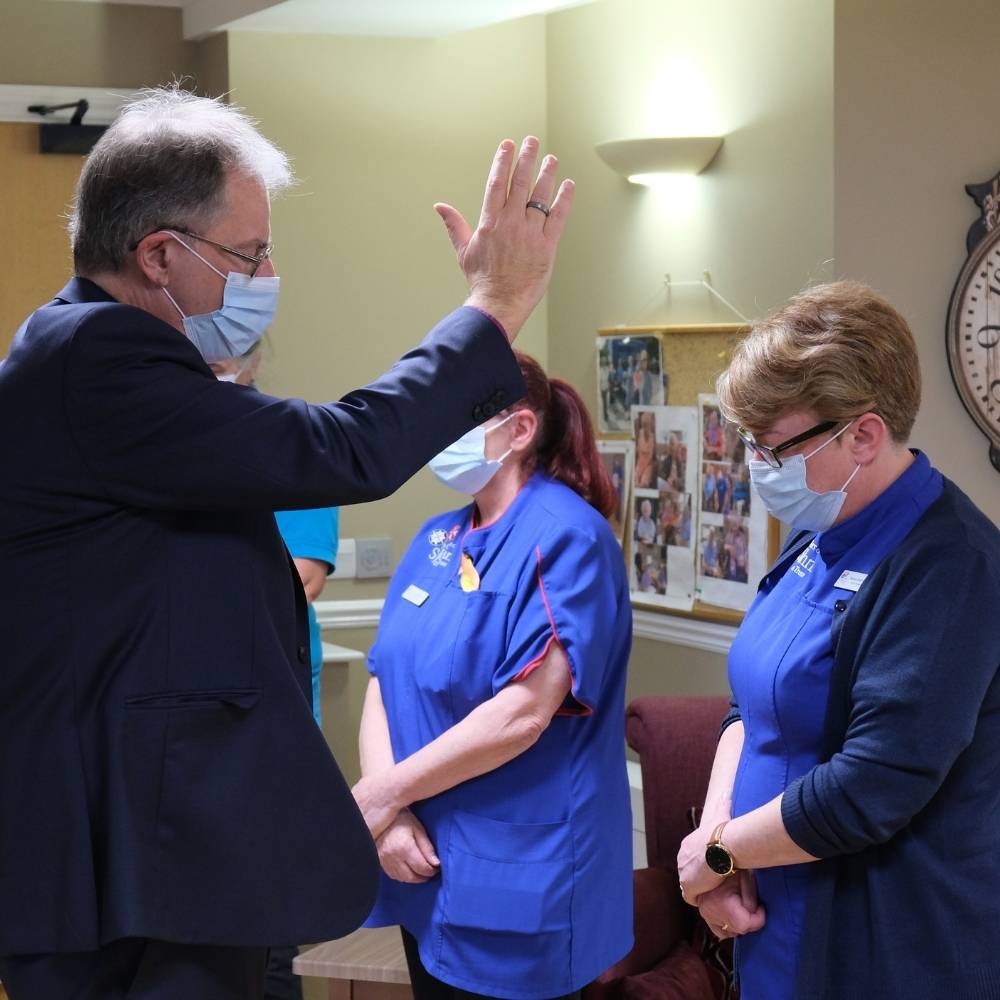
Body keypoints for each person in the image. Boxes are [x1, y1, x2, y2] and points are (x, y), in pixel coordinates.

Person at [0, 86, 575, 1000]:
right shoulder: (98, 356)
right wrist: (495, 304)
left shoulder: (90, 354)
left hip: (162, 853)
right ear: (159, 254)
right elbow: (345, 449)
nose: (267, 274)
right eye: (250, 253)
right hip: (138, 856)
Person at [676, 282, 1000, 1000]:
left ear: (864, 434)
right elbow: (749, 709)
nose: (758, 465)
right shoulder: (816, 538)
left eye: (774, 446)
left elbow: (872, 787)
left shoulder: (951, 565)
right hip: (778, 912)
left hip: (886, 942)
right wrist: (716, 840)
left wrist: (723, 854)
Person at [352, 351, 633, 1000]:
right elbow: (381, 678)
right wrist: (387, 812)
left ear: (520, 430)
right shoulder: (436, 540)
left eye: (455, 416)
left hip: (522, 873)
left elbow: (524, 713)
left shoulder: (567, 537)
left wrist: (382, 795)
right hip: (420, 859)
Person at [634, 411, 656, 488]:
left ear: (651, 425)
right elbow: (638, 448)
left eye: (647, 425)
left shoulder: (652, 437)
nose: (644, 427)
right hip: (639, 463)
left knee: (644, 482)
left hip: (648, 465)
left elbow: (650, 453)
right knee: (635, 480)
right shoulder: (640, 433)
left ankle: (643, 482)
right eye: (643, 425)